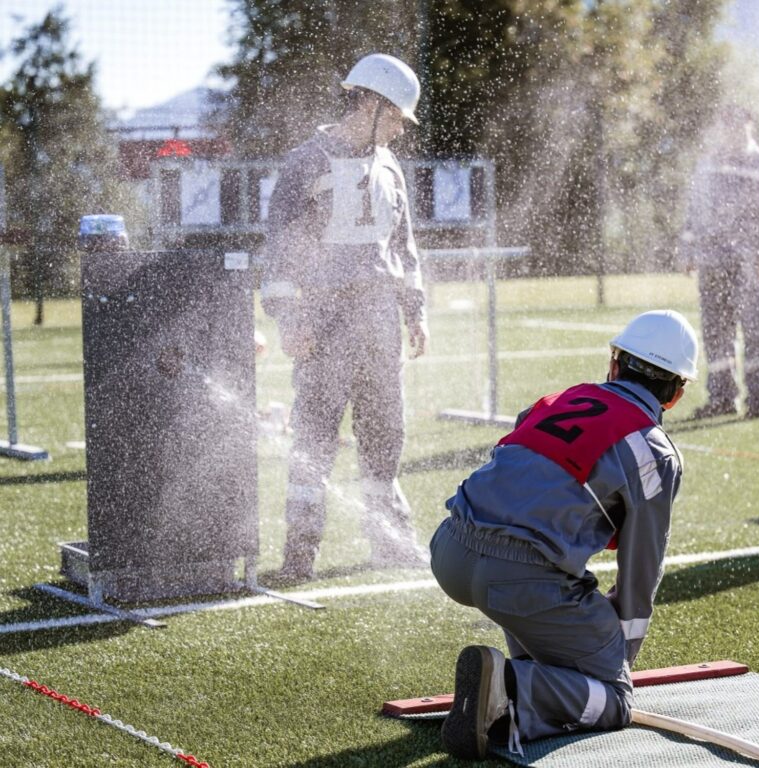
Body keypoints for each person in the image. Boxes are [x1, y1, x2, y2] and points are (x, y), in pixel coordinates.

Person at [430, 309, 698, 760]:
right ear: (675, 394)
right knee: (613, 698)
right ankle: (507, 687)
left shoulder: (558, 399)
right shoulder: (654, 450)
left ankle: (517, 675)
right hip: (519, 580)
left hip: (450, 548)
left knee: (544, 601)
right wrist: (618, 664)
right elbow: (640, 573)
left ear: (615, 364)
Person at [260, 53, 429, 580]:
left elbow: (404, 246)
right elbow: (279, 251)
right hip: (323, 324)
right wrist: (290, 317)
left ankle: (391, 542)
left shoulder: (389, 165)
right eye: (398, 115)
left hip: (379, 323)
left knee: (385, 437)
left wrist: (414, 312)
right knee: (314, 440)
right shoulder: (304, 163)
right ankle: (300, 552)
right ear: (373, 103)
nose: (402, 128)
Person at [678, 103, 759, 419]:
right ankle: (722, 398)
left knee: (756, 333)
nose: (731, 129)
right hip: (712, 263)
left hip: (751, 264)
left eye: (737, 123)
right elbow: (694, 210)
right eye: (726, 124)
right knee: (716, 334)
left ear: (749, 125)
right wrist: (688, 251)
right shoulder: (708, 165)